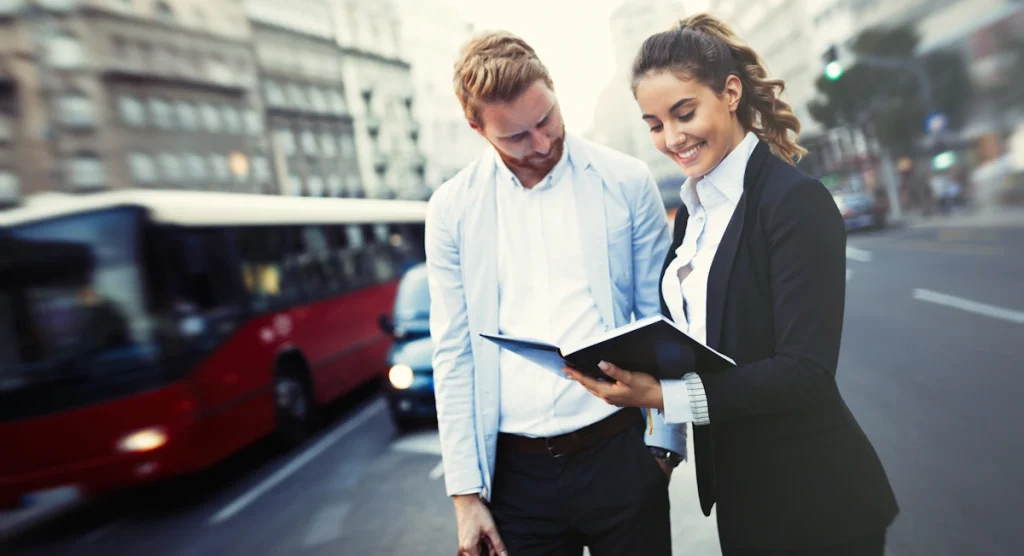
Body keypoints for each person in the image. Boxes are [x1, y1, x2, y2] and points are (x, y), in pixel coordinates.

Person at [564, 13, 899, 556]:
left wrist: (665, 397)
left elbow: (806, 372)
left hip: (819, 503)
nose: (671, 138)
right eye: (654, 124)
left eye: (684, 112)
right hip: (744, 498)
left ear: (731, 92)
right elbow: (697, 344)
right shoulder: (692, 217)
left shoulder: (793, 201)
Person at [426, 30, 688, 556]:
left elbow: (659, 321)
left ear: (552, 87)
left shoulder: (627, 180)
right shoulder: (451, 209)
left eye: (546, 119)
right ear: (477, 128)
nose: (542, 144)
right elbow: (453, 353)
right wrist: (465, 496)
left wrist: (664, 449)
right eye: (517, 137)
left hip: (619, 451)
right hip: (516, 479)